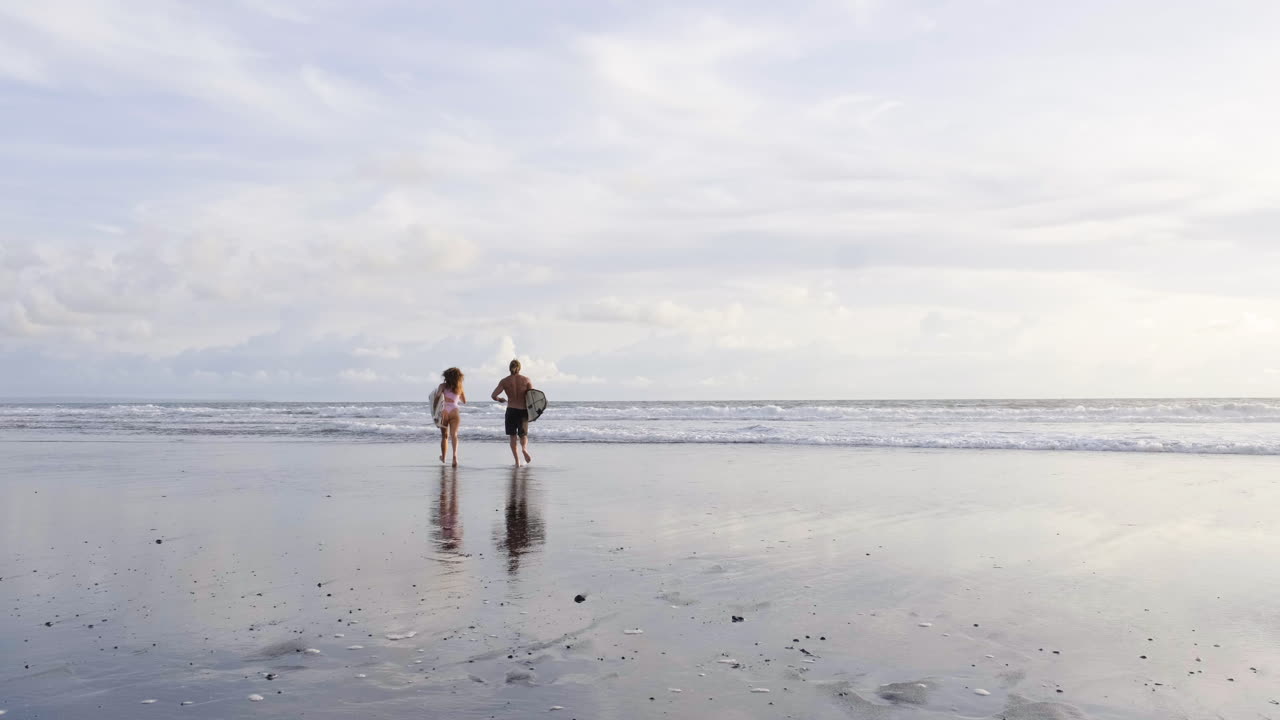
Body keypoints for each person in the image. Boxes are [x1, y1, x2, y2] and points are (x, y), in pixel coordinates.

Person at [491, 359, 533, 466]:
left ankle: (517, 461)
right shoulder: (526, 380)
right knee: (523, 435)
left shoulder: (504, 381)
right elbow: (532, 397)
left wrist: (500, 399)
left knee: (512, 436)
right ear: (520, 368)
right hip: (523, 411)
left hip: (511, 410)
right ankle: (524, 449)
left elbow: (493, 395)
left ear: (509, 368)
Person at [434, 367, 467, 467]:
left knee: (444, 436)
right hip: (454, 411)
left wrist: (435, 411)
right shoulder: (460, 387)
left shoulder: (442, 386)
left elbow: (437, 397)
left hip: (444, 412)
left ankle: (443, 457)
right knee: (454, 435)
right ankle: (455, 457)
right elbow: (464, 401)